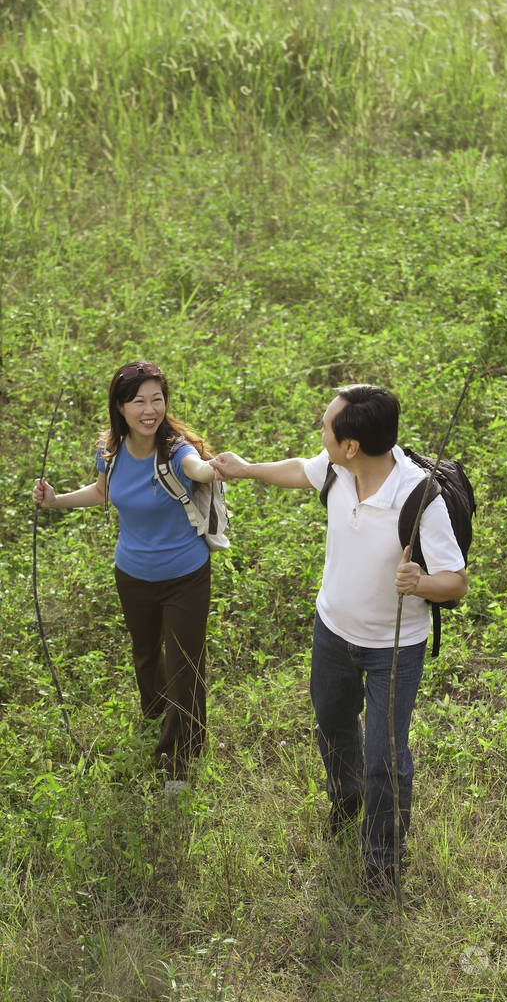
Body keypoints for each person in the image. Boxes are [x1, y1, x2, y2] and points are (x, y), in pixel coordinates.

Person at [210, 384, 467, 893]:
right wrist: (244, 468)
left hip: (393, 649)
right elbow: (298, 471)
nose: (320, 434)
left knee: (385, 756)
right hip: (332, 633)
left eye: (326, 427)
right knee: (332, 726)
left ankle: (382, 862)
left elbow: (456, 584)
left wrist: (421, 582)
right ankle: (346, 804)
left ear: (352, 445)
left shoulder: (420, 500)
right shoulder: (337, 469)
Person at [33, 361, 220, 793]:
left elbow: (196, 469)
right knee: (145, 657)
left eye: (157, 399)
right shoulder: (109, 451)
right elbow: (100, 492)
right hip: (132, 574)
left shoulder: (176, 450)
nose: (149, 409)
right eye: (139, 401)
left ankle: (179, 759)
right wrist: (55, 500)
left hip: (185, 576)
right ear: (121, 407)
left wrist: (216, 468)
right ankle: (154, 720)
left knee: (184, 666)